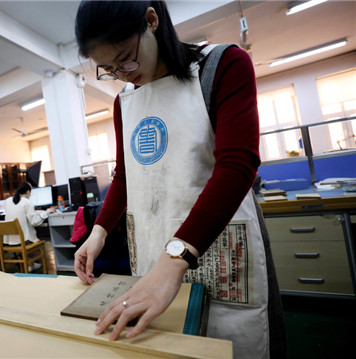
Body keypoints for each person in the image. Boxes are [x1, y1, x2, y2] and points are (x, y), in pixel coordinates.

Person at [73, 1, 285, 358]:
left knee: (235, 342)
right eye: (108, 69)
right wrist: (98, 233)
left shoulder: (222, 65)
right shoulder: (125, 102)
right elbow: (126, 175)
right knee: (163, 345)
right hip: (154, 254)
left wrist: (173, 261)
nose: (123, 74)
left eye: (126, 58)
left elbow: (237, 165)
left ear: (151, 20)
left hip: (218, 247)